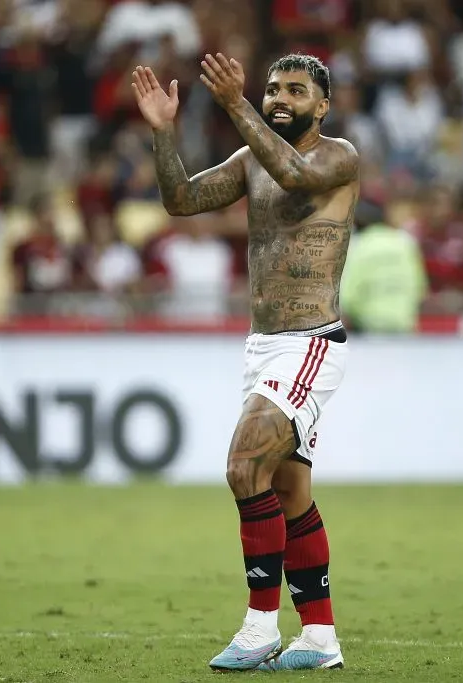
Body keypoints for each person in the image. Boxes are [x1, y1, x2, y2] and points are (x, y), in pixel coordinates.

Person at [132, 52, 358, 671]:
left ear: (323, 105)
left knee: (242, 465)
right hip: (262, 348)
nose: (279, 97)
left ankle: (260, 627)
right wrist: (162, 131)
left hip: (310, 342)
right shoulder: (248, 161)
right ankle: (319, 638)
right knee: (288, 491)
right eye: (272, 88)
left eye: (295, 90)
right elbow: (179, 199)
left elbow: (291, 174)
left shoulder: (339, 157)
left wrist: (235, 103)